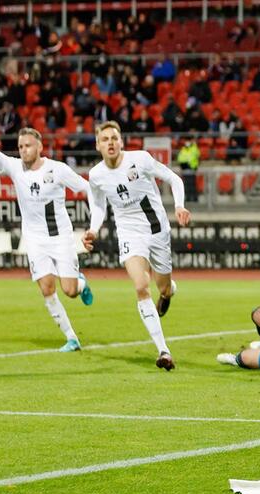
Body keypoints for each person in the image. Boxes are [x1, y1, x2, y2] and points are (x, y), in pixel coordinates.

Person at [0, 94, 95, 353]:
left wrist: (96, 221)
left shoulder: (57, 170)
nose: (23, 150)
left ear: (40, 147)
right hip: (34, 239)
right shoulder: (13, 167)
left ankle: (81, 283)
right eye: (21, 146)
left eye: (28, 146)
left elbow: (88, 188)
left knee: (68, 290)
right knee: (46, 288)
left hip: (60, 237)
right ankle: (71, 338)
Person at [82, 121, 191, 371]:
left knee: (162, 287)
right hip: (129, 234)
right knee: (141, 287)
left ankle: (168, 291)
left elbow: (174, 179)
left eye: (114, 138)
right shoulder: (96, 175)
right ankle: (163, 350)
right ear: (98, 145)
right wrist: (93, 229)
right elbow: (98, 205)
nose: (110, 142)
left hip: (157, 231)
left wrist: (179, 206)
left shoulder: (140, 159)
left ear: (121, 142)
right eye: (105, 139)